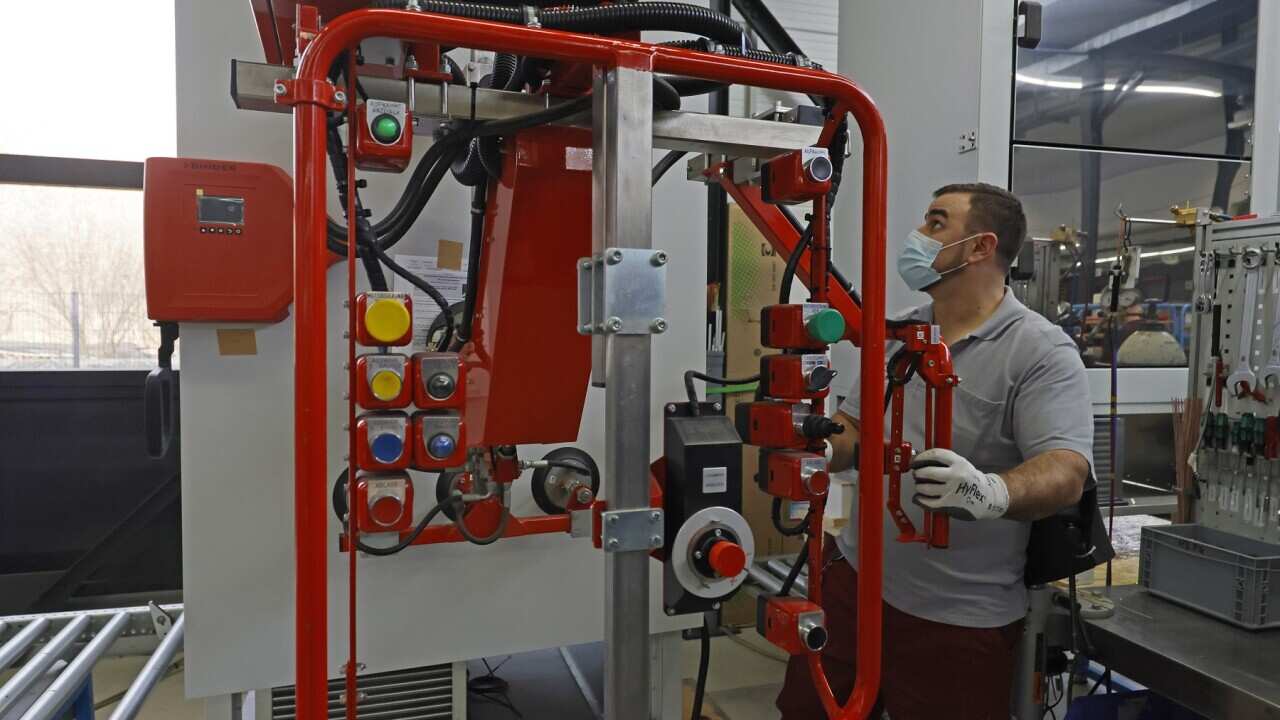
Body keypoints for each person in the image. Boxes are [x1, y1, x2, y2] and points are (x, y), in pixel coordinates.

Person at [777, 183, 1093, 719]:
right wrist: (815, 441)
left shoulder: (1040, 351)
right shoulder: (899, 331)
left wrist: (990, 492)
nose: (918, 235)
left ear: (981, 246)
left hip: (959, 618)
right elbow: (856, 432)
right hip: (856, 582)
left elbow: (1066, 471)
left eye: (936, 222)